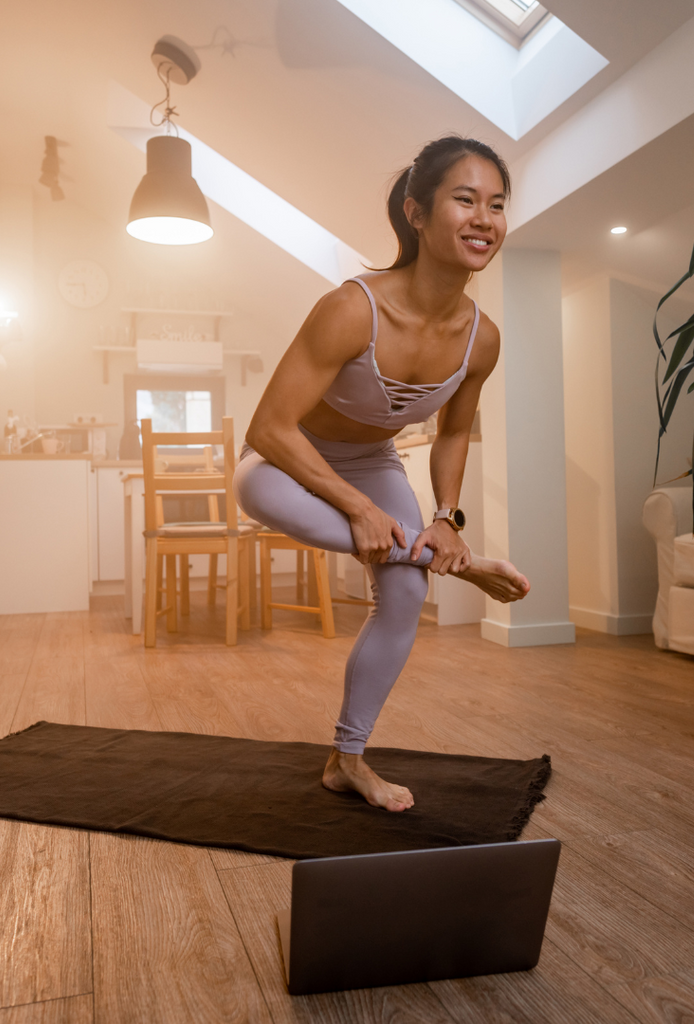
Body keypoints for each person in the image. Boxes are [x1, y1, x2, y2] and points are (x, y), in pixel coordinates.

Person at [235, 136, 530, 812]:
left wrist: (446, 518)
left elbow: (454, 430)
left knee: (402, 592)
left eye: (496, 204)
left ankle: (349, 761)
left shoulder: (481, 338)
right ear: (417, 214)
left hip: (374, 462)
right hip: (288, 462)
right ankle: (467, 566)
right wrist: (359, 509)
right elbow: (268, 430)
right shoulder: (351, 309)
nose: (485, 218)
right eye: (465, 199)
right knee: (261, 487)